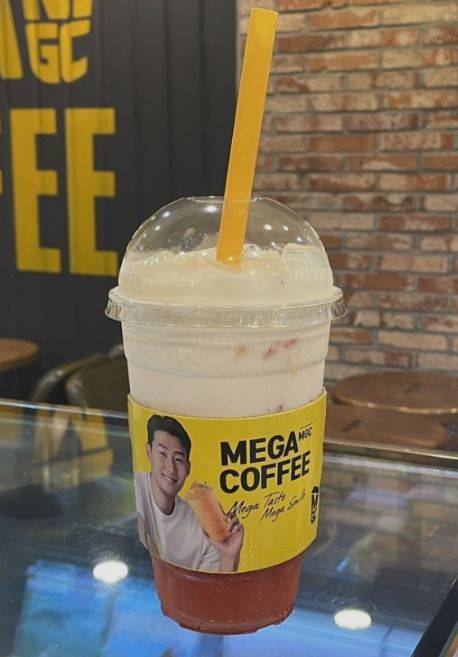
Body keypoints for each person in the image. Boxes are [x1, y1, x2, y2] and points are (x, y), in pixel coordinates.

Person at [135, 414, 244, 572]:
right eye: (162, 454)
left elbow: (213, 586)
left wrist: (229, 556)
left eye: (178, 459)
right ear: (149, 452)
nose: (171, 468)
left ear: (188, 468)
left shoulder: (203, 528)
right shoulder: (135, 487)